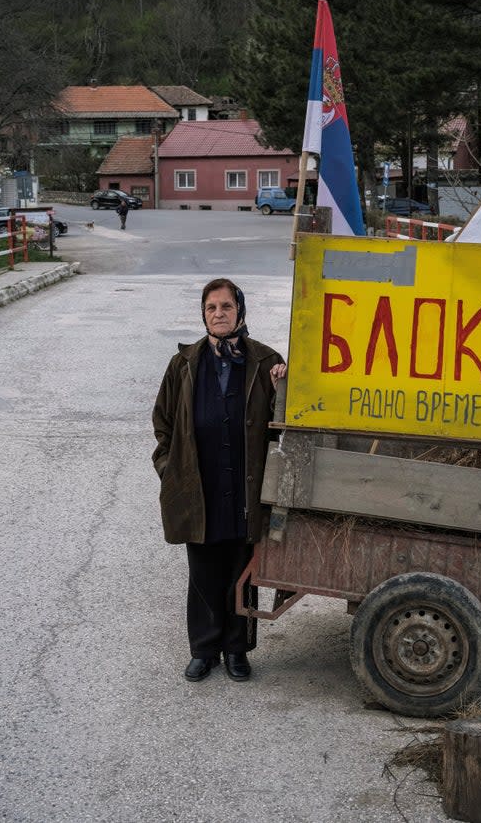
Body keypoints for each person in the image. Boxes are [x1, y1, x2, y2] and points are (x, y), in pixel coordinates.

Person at [152, 278, 287, 683]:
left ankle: (237, 650)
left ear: (240, 311)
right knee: (203, 572)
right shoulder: (184, 364)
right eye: (211, 308)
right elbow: (163, 424)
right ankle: (204, 649)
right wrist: (169, 470)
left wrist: (284, 385)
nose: (219, 314)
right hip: (200, 489)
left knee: (241, 571)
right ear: (203, 314)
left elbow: (284, 425)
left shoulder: (266, 362)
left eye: (226, 306)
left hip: (245, 487)